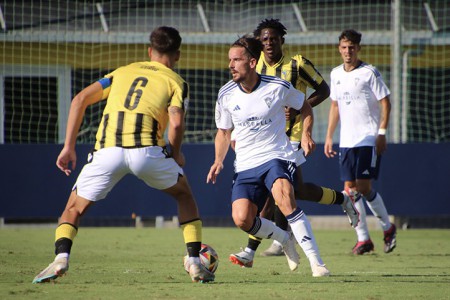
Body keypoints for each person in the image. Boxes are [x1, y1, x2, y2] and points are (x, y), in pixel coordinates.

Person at [32, 26, 214, 284]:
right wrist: (175, 153)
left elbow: (79, 100)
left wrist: (69, 146)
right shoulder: (176, 81)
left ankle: (60, 258)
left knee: (73, 208)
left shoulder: (121, 72)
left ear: (149, 51)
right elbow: (175, 122)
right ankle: (194, 262)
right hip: (147, 152)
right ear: (178, 55)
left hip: (107, 151)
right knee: (184, 195)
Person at [229, 18, 359, 268]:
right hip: (267, 141)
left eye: (273, 39)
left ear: (281, 41)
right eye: (264, 39)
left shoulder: (297, 64)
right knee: (292, 192)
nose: (269, 43)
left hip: (293, 138)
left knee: (274, 195)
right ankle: (342, 199)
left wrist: (301, 118)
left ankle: (252, 249)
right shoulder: (254, 71)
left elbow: (323, 90)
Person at [207, 35, 330, 277]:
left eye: (236, 60)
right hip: (245, 163)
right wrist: (218, 160)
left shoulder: (278, 86)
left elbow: (304, 106)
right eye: (229, 60)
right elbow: (223, 132)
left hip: (277, 155)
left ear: (252, 62)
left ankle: (317, 263)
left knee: (285, 197)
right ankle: (284, 238)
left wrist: (306, 134)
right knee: (242, 219)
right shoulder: (226, 94)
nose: (230, 65)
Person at [324, 29, 397, 255]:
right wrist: (329, 136)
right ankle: (363, 239)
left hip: (367, 138)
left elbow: (385, 102)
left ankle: (387, 227)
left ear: (359, 49)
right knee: (349, 190)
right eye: (344, 47)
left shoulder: (369, 73)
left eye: (352, 47)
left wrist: (381, 132)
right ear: (339, 49)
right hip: (346, 142)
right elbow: (335, 106)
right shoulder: (335, 74)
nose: (348, 51)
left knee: (363, 188)